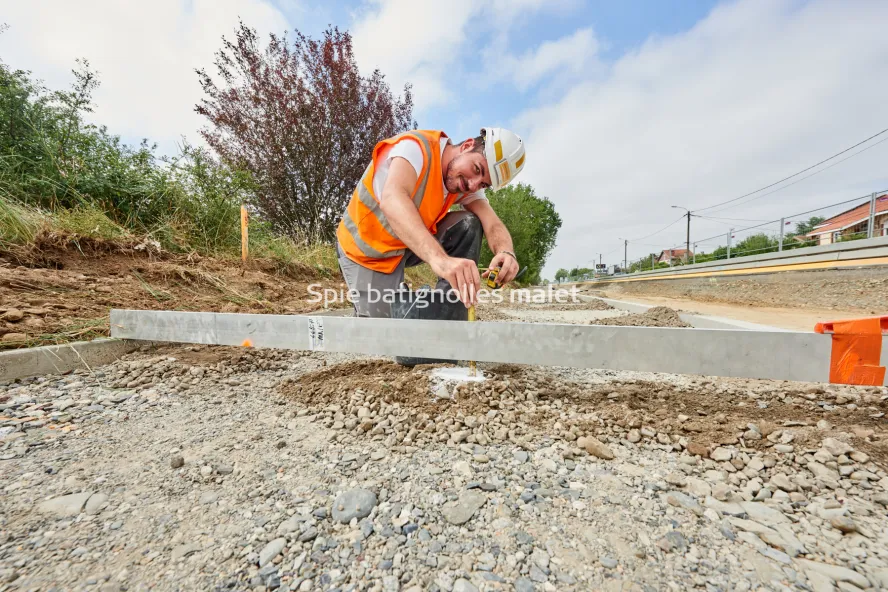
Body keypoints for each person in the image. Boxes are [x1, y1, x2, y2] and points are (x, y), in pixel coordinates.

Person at [335, 128, 526, 319]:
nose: (473, 185)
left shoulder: (466, 182)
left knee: (469, 224)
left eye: (483, 184)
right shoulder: (415, 149)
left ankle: (449, 314)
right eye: (477, 169)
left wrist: (505, 251)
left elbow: (492, 223)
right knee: (385, 334)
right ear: (467, 146)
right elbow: (392, 199)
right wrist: (440, 260)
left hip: (406, 245)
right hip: (366, 252)